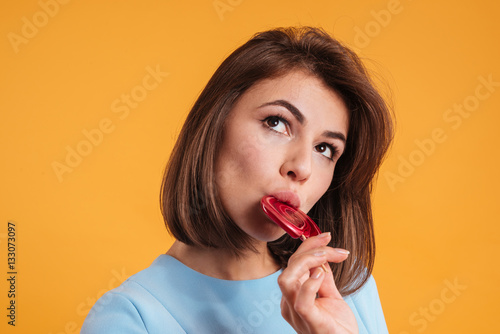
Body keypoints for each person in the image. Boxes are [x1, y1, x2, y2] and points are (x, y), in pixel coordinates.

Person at [81, 26, 394, 333]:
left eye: (325, 149)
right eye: (276, 123)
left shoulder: (346, 290)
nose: (302, 167)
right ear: (214, 125)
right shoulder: (132, 317)